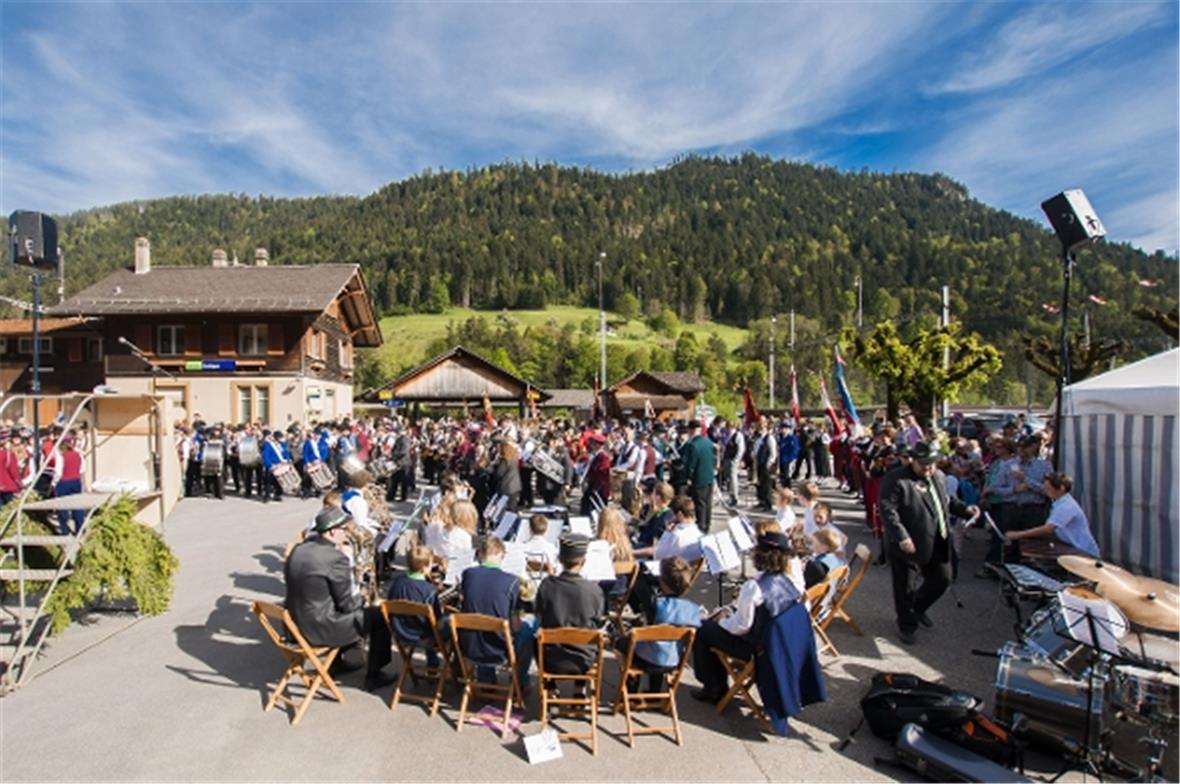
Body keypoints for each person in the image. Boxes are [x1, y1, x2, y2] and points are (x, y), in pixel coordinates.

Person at [284, 506, 394, 691]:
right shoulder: (336, 558)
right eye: (345, 529)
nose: (348, 533)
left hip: (293, 623)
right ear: (332, 531)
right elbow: (347, 605)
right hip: (318, 627)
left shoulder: (298, 550)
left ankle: (337, 663)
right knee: (378, 617)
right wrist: (363, 594)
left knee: (336, 607)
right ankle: (374, 675)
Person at [879, 442, 978, 645]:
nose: (928, 468)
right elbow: (888, 510)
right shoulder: (897, 479)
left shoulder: (938, 477)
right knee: (904, 586)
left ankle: (917, 607)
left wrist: (966, 509)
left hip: (937, 540)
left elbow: (947, 501)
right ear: (912, 460)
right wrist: (901, 536)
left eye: (932, 464)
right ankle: (907, 625)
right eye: (923, 464)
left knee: (943, 579)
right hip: (908, 542)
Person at [690, 532, 805, 703]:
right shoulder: (788, 582)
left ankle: (714, 686)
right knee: (714, 626)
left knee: (703, 629)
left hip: (757, 648)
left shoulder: (754, 587)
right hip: (778, 645)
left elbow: (741, 626)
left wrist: (721, 620)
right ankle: (716, 684)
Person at [530, 534, 606, 690]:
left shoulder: (547, 585)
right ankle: (580, 688)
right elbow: (598, 620)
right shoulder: (594, 590)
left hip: (551, 658)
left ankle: (550, 689)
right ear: (583, 562)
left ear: (560, 559)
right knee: (587, 632)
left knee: (535, 639)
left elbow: (538, 614)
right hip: (584, 659)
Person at [620, 557, 702, 692]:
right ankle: (654, 691)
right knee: (660, 641)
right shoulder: (692, 609)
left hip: (648, 659)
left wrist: (641, 570)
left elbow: (639, 584)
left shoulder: (656, 605)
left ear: (662, 581)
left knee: (622, 643)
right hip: (673, 661)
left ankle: (631, 691)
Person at [1006, 472, 1100, 558]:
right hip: (1072, 549)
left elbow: (1048, 529)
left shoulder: (1066, 506)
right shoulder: (1058, 503)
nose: (1046, 491)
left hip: (1083, 553)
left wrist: (1018, 535)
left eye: (1048, 488)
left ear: (1061, 488)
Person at [385, 544, 445, 668]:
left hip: (401, 632)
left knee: (423, 621)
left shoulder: (397, 582)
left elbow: (390, 600)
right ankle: (436, 664)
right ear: (424, 568)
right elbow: (436, 617)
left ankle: (432, 663)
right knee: (447, 623)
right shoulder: (428, 590)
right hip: (423, 636)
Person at [679, 420, 716, 533]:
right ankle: (707, 525)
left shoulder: (692, 445)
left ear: (690, 430)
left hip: (698, 479)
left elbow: (690, 465)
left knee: (700, 504)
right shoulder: (708, 442)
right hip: (709, 477)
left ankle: (701, 527)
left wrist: (687, 478)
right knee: (707, 503)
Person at [50, 435, 86, 535]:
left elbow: (58, 472)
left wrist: (53, 484)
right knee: (77, 506)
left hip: (64, 482)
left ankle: (65, 531)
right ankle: (80, 529)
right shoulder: (78, 455)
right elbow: (82, 469)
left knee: (62, 508)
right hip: (76, 481)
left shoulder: (61, 457)